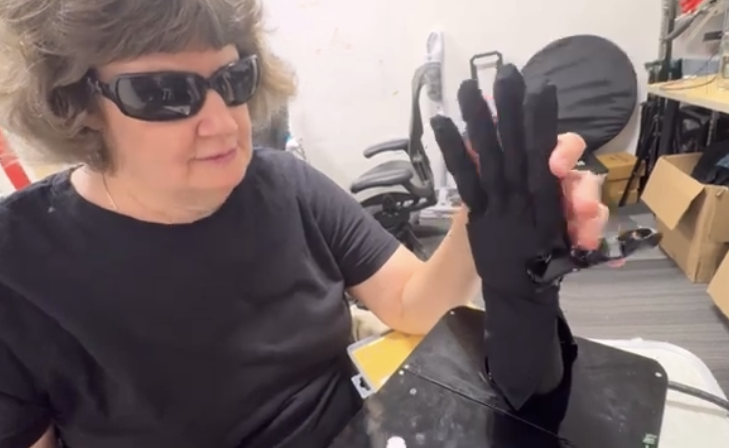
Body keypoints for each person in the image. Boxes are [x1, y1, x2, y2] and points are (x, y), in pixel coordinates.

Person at [0, 1, 608, 447]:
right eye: (162, 93)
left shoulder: (284, 185)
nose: (223, 122)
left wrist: (480, 222)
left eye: (232, 81)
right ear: (77, 105)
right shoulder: (19, 266)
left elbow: (410, 304)